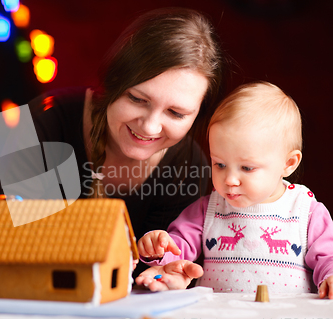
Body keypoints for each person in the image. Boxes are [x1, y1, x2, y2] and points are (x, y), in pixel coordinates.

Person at [26, 8, 225, 277]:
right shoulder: (46, 123)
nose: (150, 126)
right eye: (137, 99)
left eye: (176, 113)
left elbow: (153, 276)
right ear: (114, 82)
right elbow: (15, 247)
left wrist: (168, 277)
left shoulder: (190, 167)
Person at [136, 82, 333, 298]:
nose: (229, 180)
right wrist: (160, 248)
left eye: (247, 168)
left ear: (288, 163)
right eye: (219, 164)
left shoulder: (306, 211)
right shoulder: (208, 208)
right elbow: (177, 248)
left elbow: (329, 256)